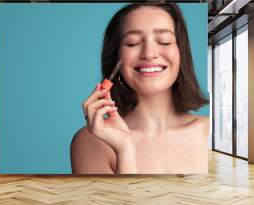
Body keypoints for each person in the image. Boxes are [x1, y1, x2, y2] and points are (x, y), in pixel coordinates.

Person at [70, 3, 209, 174]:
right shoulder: (91, 141)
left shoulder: (211, 133)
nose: (149, 53)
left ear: (181, 53)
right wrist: (124, 151)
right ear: (117, 59)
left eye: (164, 41)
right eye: (133, 43)